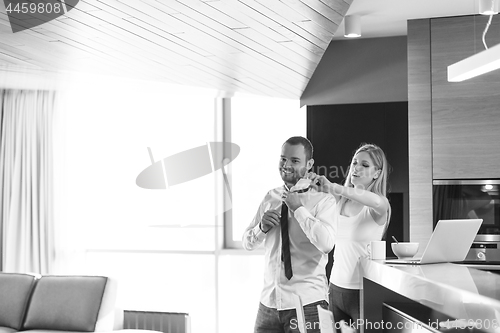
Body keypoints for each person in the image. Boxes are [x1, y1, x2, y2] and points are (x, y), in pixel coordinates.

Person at [243, 136, 337, 333]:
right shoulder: (271, 197)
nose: (286, 165)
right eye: (283, 159)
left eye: (294, 161)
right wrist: (261, 228)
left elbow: (326, 243)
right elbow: (247, 242)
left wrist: (299, 209)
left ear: (309, 164)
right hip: (268, 304)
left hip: (308, 304)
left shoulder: (323, 200)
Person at [309, 143, 391, 331]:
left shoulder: (379, 205)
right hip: (335, 288)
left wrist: (334, 187)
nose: (356, 168)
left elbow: (373, 199)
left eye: (364, 165)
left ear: (377, 173)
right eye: (355, 163)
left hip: (364, 292)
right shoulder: (340, 202)